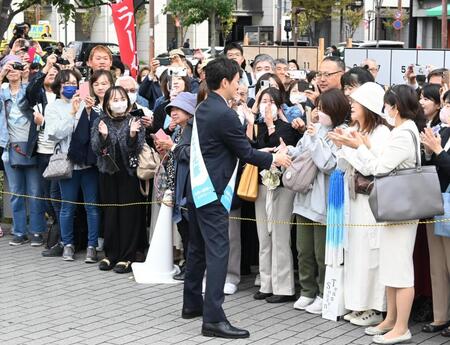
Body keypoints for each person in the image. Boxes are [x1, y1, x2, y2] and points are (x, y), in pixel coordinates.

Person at [182, 58, 291, 339]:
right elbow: (246, 153)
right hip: (213, 191)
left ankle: (192, 304)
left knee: (196, 248)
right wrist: (275, 158)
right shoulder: (225, 114)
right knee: (218, 251)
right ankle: (213, 319)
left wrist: (261, 150)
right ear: (226, 82)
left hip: (197, 186)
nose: (241, 86)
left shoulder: (205, 108)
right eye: (238, 81)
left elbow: (236, 147)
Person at [331, 85, 423, 344]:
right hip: (395, 207)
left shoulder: (404, 134)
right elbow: (383, 157)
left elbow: (380, 167)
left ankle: (401, 327)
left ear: (396, 107)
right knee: (391, 267)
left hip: (400, 209)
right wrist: (361, 143)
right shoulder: (403, 130)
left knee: (400, 270)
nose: (385, 110)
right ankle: (391, 320)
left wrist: (357, 147)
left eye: (388, 105)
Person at [281, 89, 349, 314]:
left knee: (322, 252)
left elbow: (328, 164)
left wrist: (313, 139)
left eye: (324, 109)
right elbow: (301, 152)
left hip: (324, 201)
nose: (320, 113)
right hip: (304, 197)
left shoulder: (342, 132)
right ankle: (307, 291)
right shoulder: (316, 129)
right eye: (319, 108)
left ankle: (321, 293)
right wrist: (286, 151)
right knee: (303, 249)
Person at [328, 82, 390, 327]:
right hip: (353, 199)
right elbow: (345, 166)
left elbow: (372, 168)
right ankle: (358, 304)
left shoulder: (382, 133)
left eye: (356, 103)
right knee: (355, 252)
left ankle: (374, 307)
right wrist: (342, 148)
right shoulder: (355, 129)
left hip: (371, 201)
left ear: (369, 106)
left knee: (371, 253)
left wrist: (351, 148)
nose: (351, 106)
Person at [251, 87, 301, 303]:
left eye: (271, 101)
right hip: (262, 185)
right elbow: (251, 149)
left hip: (282, 187)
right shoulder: (257, 128)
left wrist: (272, 124)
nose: (266, 105)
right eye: (263, 101)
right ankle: (266, 283)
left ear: (280, 105)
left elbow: (281, 146)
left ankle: (284, 287)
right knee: (264, 236)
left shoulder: (288, 128)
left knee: (280, 236)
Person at [44, 70, 100, 263]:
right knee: (67, 207)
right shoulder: (52, 108)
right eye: (66, 83)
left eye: (74, 83)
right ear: (59, 86)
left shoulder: (86, 103)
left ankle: (92, 245)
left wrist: (91, 111)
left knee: (91, 207)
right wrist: (72, 113)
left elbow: (96, 130)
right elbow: (54, 134)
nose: (71, 86)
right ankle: (68, 243)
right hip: (67, 165)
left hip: (87, 164)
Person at [91, 86, 147, 273]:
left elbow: (137, 149)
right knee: (111, 213)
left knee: (129, 214)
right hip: (107, 173)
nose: (120, 103)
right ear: (107, 103)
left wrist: (132, 135)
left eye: (122, 99)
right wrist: (104, 136)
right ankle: (111, 254)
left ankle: (128, 255)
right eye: (114, 100)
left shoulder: (135, 120)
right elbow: (97, 149)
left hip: (129, 174)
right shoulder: (101, 120)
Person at [0, 59, 47, 246]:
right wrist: (2, 73)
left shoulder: (29, 91)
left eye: (16, 67)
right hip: (9, 146)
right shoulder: (2, 91)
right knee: (16, 192)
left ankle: (36, 231)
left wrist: (28, 76)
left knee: (35, 192)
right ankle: (19, 231)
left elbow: (34, 94)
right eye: (9, 67)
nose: (13, 71)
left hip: (31, 145)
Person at [153, 92, 196, 280]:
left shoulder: (196, 130)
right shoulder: (178, 130)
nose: (174, 113)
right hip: (176, 184)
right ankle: (188, 264)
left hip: (189, 187)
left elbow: (193, 156)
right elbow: (176, 156)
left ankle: (193, 268)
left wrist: (172, 147)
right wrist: (165, 149)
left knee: (191, 231)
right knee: (183, 229)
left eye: (179, 108)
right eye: (172, 109)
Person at [420, 90, 450, 337]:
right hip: (435, 202)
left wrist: (438, 152)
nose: (447, 109)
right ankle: (441, 316)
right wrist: (430, 152)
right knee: (437, 264)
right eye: (447, 104)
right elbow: (431, 167)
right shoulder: (442, 131)